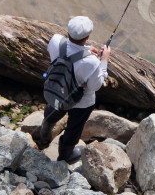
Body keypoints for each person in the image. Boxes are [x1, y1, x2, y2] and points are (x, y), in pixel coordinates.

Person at [39, 15, 110, 163]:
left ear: (68, 31)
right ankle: (65, 155)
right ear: (88, 36)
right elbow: (95, 86)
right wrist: (103, 61)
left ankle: (45, 130)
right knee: (74, 127)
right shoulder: (92, 62)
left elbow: (66, 53)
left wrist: (83, 50)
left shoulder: (56, 40)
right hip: (81, 102)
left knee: (54, 108)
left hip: (56, 90)